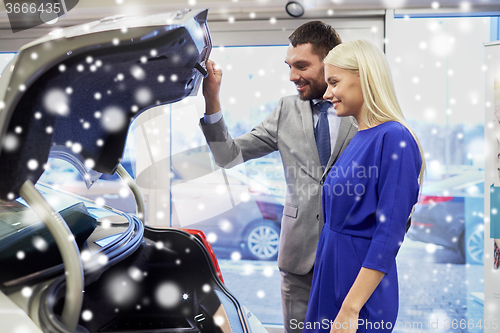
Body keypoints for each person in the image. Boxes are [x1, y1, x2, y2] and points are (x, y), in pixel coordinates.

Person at [200, 21, 357, 333]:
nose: (292, 76)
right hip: (298, 259)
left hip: (349, 259)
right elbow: (227, 155)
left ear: (329, 63)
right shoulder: (285, 110)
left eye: (301, 66)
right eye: (289, 66)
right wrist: (212, 99)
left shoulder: (360, 108)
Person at [303, 40, 426, 333]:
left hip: (358, 292)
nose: (327, 93)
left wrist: (350, 308)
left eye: (334, 82)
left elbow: (389, 234)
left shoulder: (394, 137)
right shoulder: (361, 135)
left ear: (365, 78)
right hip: (332, 275)